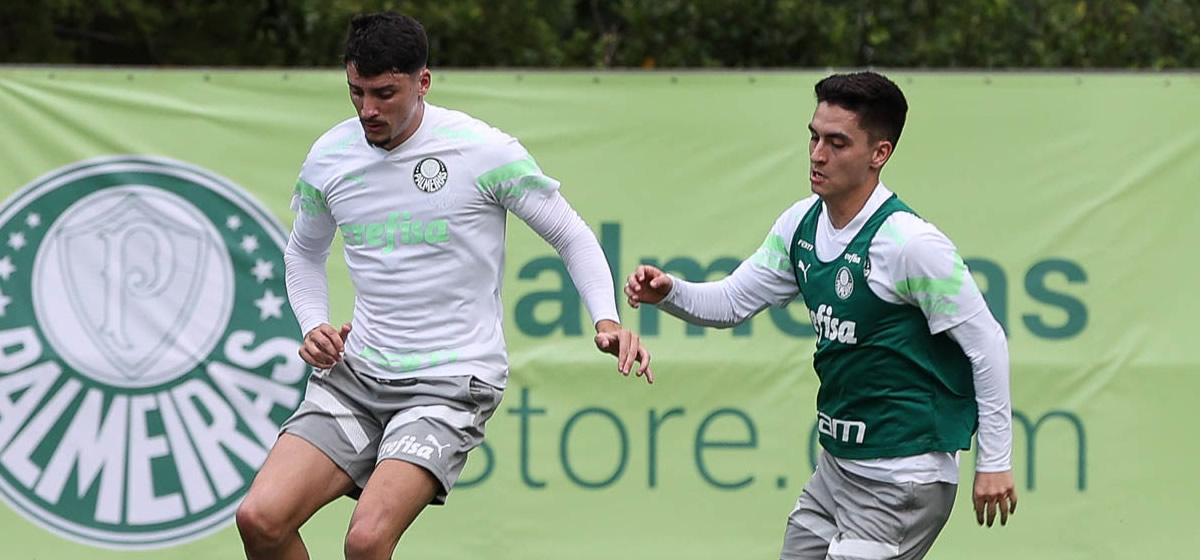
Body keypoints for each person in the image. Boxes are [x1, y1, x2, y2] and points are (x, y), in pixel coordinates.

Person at [235, 11, 652, 560]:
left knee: (365, 541)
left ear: (422, 81)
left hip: (451, 381)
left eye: (385, 93)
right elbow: (304, 253)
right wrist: (313, 324)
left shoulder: (483, 150)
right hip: (355, 376)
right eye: (355, 92)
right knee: (259, 520)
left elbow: (571, 235)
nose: (368, 110)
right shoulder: (329, 156)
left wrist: (606, 319)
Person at [624, 71, 1015, 559]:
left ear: (879, 154)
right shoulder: (800, 224)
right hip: (838, 469)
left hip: (902, 476)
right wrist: (669, 292)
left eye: (837, 142)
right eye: (813, 136)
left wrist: (994, 461)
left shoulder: (910, 245)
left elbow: (988, 344)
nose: (817, 154)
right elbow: (732, 302)